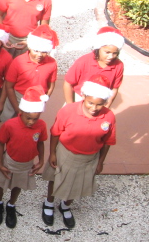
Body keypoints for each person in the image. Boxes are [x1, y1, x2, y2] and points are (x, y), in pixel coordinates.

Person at [41, 75, 116, 228]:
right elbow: (55, 132)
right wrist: (53, 153)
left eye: (99, 105)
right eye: (90, 103)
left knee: (77, 184)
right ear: (83, 96)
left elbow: (107, 142)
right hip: (66, 153)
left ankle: (65, 205)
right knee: (55, 179)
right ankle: (49, 202)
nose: (94, 108)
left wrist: (100, 162)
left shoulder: (109, 116)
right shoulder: (68, 111)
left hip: (89, 158)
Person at [0, 86, 48, 229]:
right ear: (21, 112)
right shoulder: (10, 125)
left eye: (35, 119)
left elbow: (40, 143)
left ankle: (11, 204)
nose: (31, 122)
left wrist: (41, 160)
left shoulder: (41, 126)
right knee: (2, 183)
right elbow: (1, 143)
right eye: (28, 118)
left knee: (18, 184)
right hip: (9, 160)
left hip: (26, 164)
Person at [1, 24, 58, 121]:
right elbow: (9, 86)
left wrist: (45, 99)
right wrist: (17, 108)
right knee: (8, 121)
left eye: (44, 51)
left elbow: (51, 85)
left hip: (37, 99)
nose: (39, 55)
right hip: (17, 96)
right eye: (36, 50)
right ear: (30, 47)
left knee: (30, 124)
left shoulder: (52, 64)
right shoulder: (18, 61)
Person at [64, 27, 124, 108]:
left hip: (101, 102)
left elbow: (114, 88)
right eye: (107, 52)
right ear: (98, 48)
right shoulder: (83, 61)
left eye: (115, 53)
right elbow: (68, 83)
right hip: (79, 99)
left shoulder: (119, 66)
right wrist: (70, 105)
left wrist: (106, 106)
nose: (111, 56)